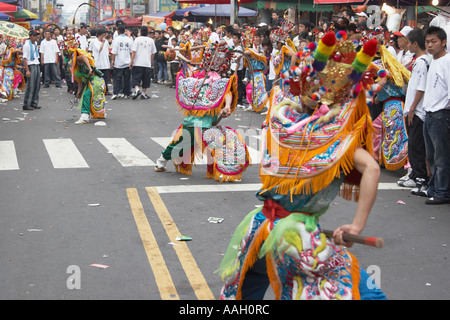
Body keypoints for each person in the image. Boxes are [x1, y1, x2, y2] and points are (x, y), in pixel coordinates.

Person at [218, 33, 386, 300]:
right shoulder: (334, 138)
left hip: (258, 228)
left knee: (246, 293)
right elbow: (373, 169)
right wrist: (356, 226)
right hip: (294, 238)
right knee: (367, 295)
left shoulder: (282, 125)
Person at [154, 40, 250, 182]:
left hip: (207, 122)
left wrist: (227, 106)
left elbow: (227, 91)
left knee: (217, 144)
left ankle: (226, 171)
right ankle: (162, 159)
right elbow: (185, 81)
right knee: (181, 144)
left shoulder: (221, 81)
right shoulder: (197, 76)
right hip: (193, 120)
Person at [421, 26, 450, 205]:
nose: (430, 45)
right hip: (429, 114)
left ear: (443, 42)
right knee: (431, 156)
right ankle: (433, 188)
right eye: (428, 42)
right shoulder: (433, 61)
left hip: (441, 115)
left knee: (441, 157)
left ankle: (442, 192)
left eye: (434, 42)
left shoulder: (447, 61)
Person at [401, 29, 429, 195]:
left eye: (409, 42)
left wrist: (412, 108)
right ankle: (415, 175)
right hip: (413, 110)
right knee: (413, 145)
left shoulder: (422, 62)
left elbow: (421, 88)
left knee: (417, 146)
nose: (407, 45)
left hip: (417, 111)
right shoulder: (419, 61)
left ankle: (421, 179)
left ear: (415, 43)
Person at [65, 39, 106, 125]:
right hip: (89, 81)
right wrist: (79, 91)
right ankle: (95, 114)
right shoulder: (74, 64)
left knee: (88, 95)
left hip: (96, 79)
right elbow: (79, 80)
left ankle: (85, 116)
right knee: (87, 96)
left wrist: (90, 68)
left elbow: (84, 57)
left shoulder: (79, 58)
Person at [130, 26, 156, 100]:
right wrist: (150, 61)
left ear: (140, 32)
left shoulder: (137, 40)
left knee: (136, 77)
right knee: (146, 79)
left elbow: (134, 51)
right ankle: (143, 93)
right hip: (147, 63)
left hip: (137, 62)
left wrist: (131, 61)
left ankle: (137, 89)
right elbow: (153, 52)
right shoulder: (151, 40)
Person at [110, 25, 133, 99]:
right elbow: (131, 52)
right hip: (127, 62)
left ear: (118, 31)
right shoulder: (129, 39)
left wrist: (112, 60)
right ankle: (126, 93)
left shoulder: (116, 39)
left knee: (117, 78)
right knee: (127, 79)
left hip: (118, 63)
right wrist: (131, 61)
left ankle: (116, 93)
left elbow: (114, 52)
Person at [21, 30, 41, 110]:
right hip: (30, 65)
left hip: (36, 64)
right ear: (30, 36)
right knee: (31, 86)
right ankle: (26, 104)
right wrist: (27, 70)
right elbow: (25, 58)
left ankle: (34, 102)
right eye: (34, 35)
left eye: (36, 35)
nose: (35, 37)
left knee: (37, 85)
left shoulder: (35, 44)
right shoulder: (26, 45)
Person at [90, 28, 111, 96]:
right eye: (102, 35)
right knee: (97, 78)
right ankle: (97, 90)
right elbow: (99, 49)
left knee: (105, 78)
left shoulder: (106, 42)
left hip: (105, 62)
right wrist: (102, 42)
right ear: (98, 35)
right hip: (97, 63)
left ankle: (105, 90)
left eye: (105, 35)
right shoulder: (94, 41)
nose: (104, 37)